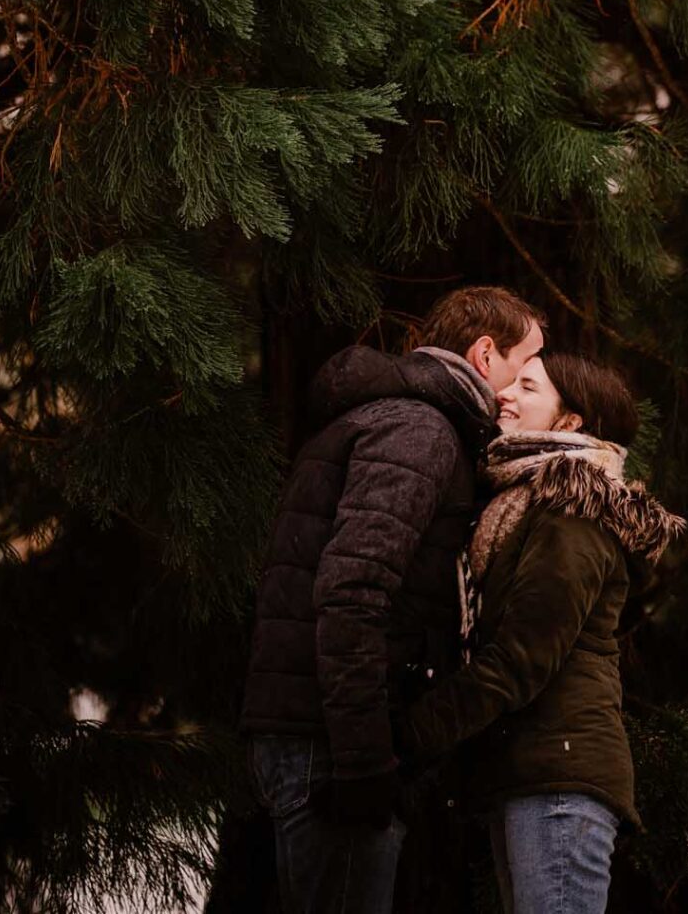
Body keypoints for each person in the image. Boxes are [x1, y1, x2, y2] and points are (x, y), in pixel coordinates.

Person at [241, 286, 545, 914]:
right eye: (525, 365)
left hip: (319, 739)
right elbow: (351, 590)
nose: (522, 389)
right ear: (486, 355)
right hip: (332, 752)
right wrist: (364, 765)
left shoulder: (395, 419)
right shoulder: (419, 430)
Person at [402, 351, 684, 914]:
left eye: (527, 387)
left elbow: (523, 658)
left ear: (569, 422)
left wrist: (411, 734)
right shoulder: (521, 499)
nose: (505, 394)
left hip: (561, 778)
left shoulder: (572, 509)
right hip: (532, 773)